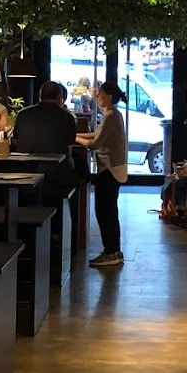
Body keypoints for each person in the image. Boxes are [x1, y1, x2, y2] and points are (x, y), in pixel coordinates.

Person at [77, 82, 128, 267]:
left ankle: (110, 253)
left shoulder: (111, 116)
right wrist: (76, 134)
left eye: (100, 93)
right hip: (113, 170)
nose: (97, 96)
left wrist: (74, 138)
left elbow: (95, 144)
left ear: (109, 96)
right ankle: (114, 251)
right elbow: (96, 135)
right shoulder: (113, 114)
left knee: (104, 213)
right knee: (110, 212)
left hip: (109, 170)